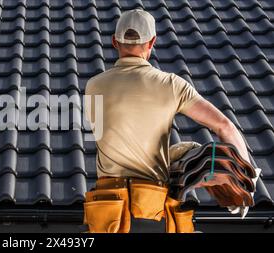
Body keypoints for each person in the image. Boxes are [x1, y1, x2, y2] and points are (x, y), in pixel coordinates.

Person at [83, 8, 250, 233]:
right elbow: (224, 126)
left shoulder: (94, 86)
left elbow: (124, 134)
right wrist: (246, 181)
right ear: (152, 42)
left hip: (107, 213)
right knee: (192, 152)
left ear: (115, 42)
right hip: (151, 211)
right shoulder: (171, 85)